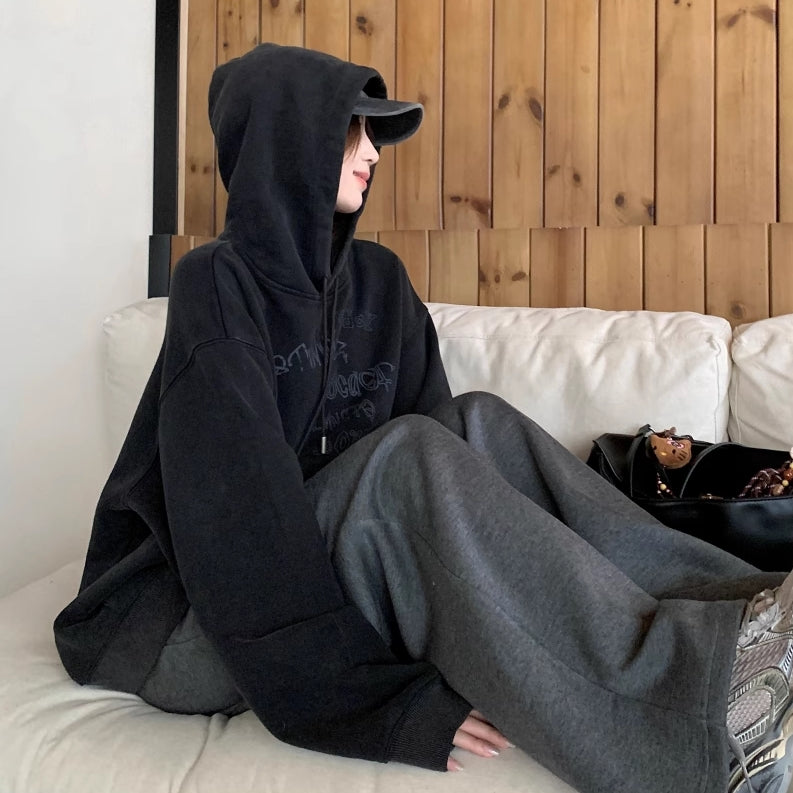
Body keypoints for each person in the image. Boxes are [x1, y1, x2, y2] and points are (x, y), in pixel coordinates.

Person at [53, 42, 793, 793]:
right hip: (190, 618)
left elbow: (454, 489)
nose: (374, 152)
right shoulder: (217, 283)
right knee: (406, 456)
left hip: (319, 567)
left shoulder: (378, 281)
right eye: (353, 129)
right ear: (290, 140)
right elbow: (237, 516)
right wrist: (372, 704)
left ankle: (752, 612)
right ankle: (704, 721)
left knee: (474, 423)